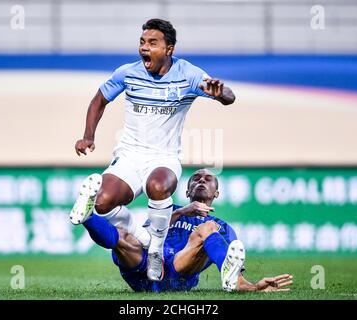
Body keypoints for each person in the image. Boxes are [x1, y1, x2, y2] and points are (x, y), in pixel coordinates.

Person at [70, 18, 236, 282]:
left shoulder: (188, 74)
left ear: (169, 49)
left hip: (164, 157)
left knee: (158, 186)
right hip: (129, 155)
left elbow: (228, 96)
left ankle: (156, 249)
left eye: (152, 43)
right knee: (102, 202)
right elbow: (99, 100)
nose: (144, 48)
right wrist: (87, 136)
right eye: (142, 42)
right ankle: (146, 237)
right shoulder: (128, 72)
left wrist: (219, 93)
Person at [80, 169, 293, 293]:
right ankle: (87, 217)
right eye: (196, 179)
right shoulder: (169, 210)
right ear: (187, 191)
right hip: (143, 269)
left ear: (216, 193)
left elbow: (234, 263)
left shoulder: (223, 227)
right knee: (122, 233)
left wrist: (254, 287)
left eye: (207, 179)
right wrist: (182, 212)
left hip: (177, 276)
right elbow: (145, 236)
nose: (201, 180)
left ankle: (230, 283)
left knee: (208, 228)